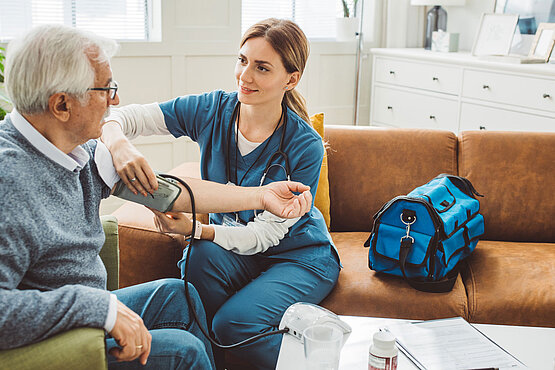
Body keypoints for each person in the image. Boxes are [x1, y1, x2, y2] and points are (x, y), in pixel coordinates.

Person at [0, 24, 313, 370]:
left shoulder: (75, 152)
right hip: (57, 339)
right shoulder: (9, 181)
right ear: (61, 104)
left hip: (85, 313)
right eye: (107, 89)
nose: (115, 101)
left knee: (181, 297)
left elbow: (167, 194)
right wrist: (99, 308)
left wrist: (261, 197)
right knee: (184, 351)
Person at [102, 18, 341, 369]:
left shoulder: (304, 145)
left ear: (291, 79)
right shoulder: (212, 110)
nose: (245, 76)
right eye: (242, 60)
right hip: (236, 252)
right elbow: (124, 117)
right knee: (198, 259)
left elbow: (264, 234)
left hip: (297, 256)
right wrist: (118, 142)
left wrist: (197, 229)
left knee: (233, 324)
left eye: (262, 68)